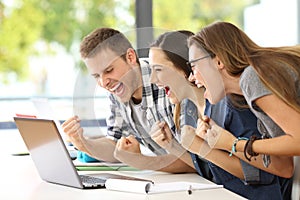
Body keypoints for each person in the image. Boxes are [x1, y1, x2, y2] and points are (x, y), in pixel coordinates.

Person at [148, 30, 293, 199]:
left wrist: (206, 148)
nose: (152, 79)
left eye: (158, 69)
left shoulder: (232, 103)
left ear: (184, 68)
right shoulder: (189, 109)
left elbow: (266, 172)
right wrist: (171, 145)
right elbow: (208, 169)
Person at [62, 27, 195, 173]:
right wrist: (83, 143)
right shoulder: (117, 89)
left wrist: (141, 161)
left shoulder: (166, 81)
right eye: (96, 76)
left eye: (108, 70)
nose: (104, 82)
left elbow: (196, 161)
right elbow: (114, 145)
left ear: (130, 57)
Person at [187, 21, 300, 167]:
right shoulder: (249, 87)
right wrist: (227, 143)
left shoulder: (252, 78)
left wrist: (236, 144)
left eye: (194, 65)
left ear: (219, 61)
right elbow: (283, 163)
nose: (191, 77)